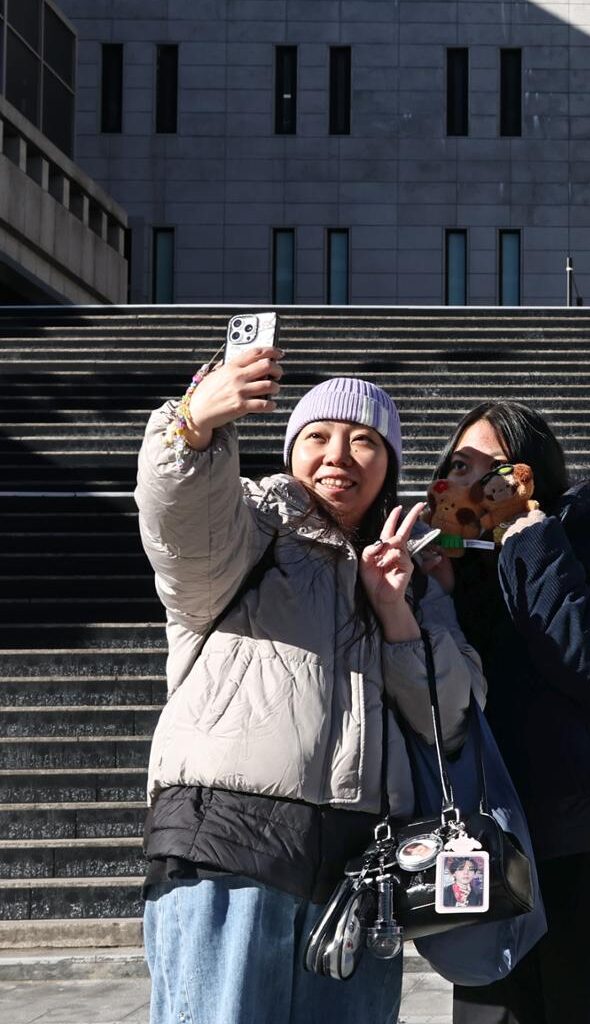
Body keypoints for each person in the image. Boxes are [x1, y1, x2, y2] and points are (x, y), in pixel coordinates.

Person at [137, 353, 485, 1024]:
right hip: (229, 841)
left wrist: (395, 611)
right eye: (320, 437)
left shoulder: (405, 566)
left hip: (363, 867)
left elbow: (449, 715)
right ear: (293, 448)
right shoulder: (247, 527)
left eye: (364, 441)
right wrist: (190, 427)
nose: (340, 456)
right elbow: (179, 519)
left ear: (389, 462)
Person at [425, 402, 590, 1024]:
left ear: (532, 473)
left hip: (589, 833)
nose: (475, 481)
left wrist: (530, 538)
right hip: (484, 845)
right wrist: (440, 602)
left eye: (494, 467)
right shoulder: (449, 564)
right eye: (460, 464)